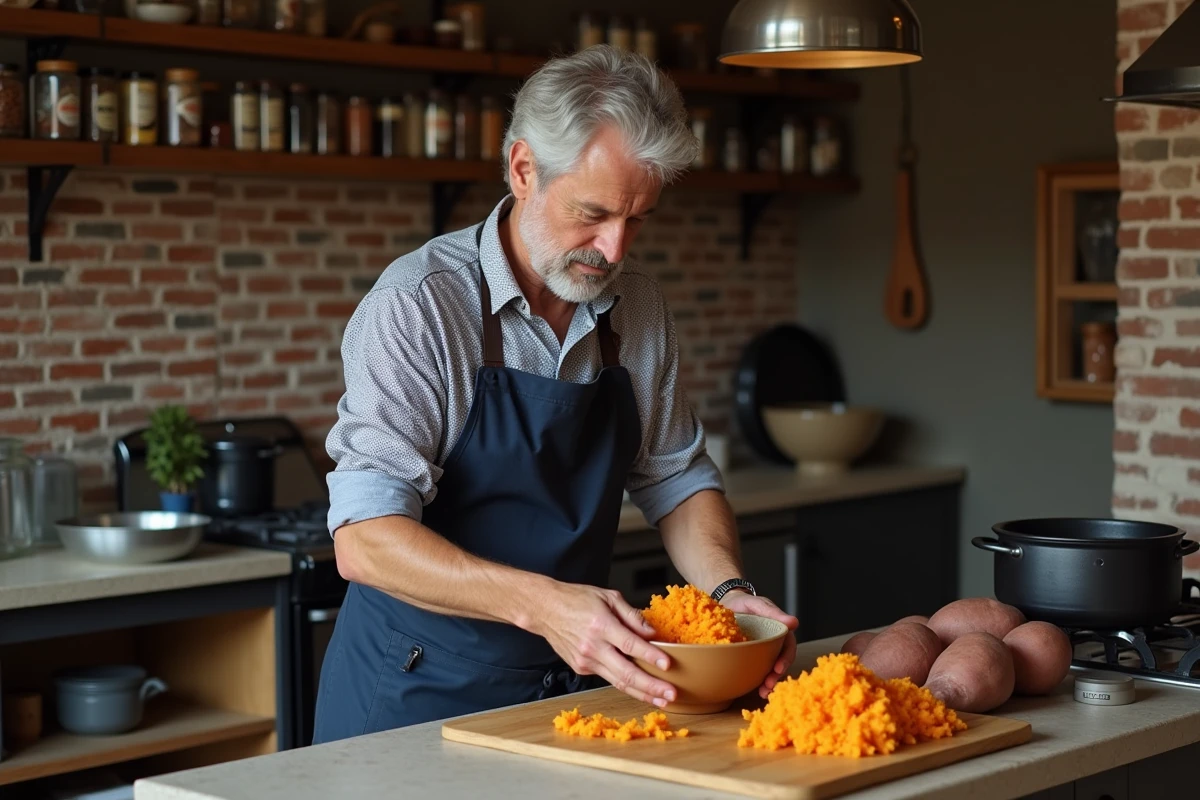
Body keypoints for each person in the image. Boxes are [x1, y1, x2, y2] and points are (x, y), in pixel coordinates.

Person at [311, 44, 798, 744]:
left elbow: (677, 478)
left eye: (638, 220)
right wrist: (545, 607)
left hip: (568, 698)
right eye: (592, 213)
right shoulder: (420, 307)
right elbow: (365, 541)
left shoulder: (638, 309)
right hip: (413, 695)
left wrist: (733, 599)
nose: (615, 248)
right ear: (522, 169)